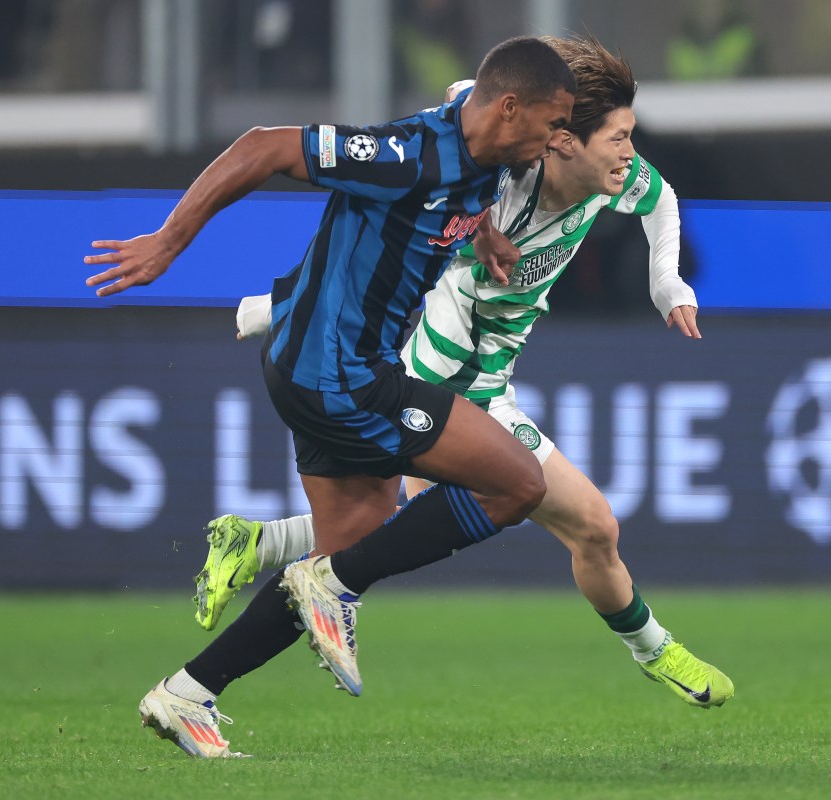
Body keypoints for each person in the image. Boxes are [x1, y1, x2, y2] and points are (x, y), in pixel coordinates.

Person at [195, 35, 734, 717]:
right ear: (561, 138)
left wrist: (667, 281)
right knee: (446, 520)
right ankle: (655, 651)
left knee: (562, 527)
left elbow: (662, 200)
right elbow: (453, 119)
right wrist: (277, 305)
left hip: (489, 381)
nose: (632, 154)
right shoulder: (506, 166)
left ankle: (254, 556)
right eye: (620, 138)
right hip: (437, 369)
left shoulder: (613, 178)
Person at [85, 35, 576, 759]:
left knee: (356, 538)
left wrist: (486, 237)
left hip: (314, 368)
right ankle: (332, 585)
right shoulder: (409, 154)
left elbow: (458, 140)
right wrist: (168, 241)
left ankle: (188, 692)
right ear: (510, 108)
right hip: (340, 376)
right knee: (518, 484)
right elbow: (264, 146)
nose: (558, 138)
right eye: (553, 121)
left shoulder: (487, 153)